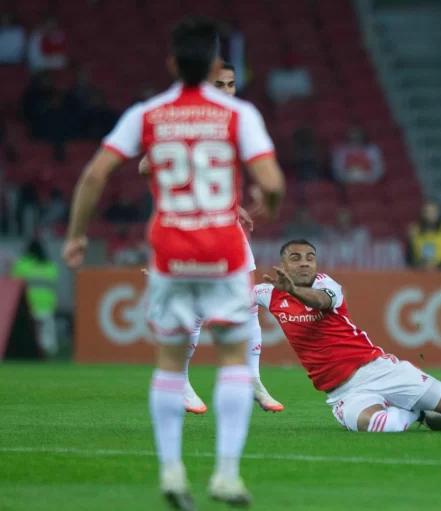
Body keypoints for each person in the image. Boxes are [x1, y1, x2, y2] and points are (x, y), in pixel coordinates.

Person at [61, 19, 286, 509]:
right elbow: (271, 180)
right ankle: (226, 475)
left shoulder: (149, 113)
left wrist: (77, 236)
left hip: (170, 251)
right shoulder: (238, 113)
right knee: (230, 359)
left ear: (171, 64)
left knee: (168, 362)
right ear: (213, 65)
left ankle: (170, 469)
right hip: (222, 251)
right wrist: (269, 202)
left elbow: (96, 174)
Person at [255, 240, 441, 434]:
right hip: (342, 393)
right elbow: (232, 302)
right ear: (282, 264)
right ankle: (418, 413)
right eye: (295, 258)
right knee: (382, 426)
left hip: (378, 370)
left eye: (310, 258)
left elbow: (319, 301)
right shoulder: (268, 294)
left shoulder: (328, 285)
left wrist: (292, 290)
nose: (305, 263)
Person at [139, 61, 284, 415]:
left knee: (247, 303)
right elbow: (146, 166)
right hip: (192, 229)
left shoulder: (234, 121)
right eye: (219, 84)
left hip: (225, 225)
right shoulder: (191, 119)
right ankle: (183, 383)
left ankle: (252, 379)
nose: (227, 91)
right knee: (197, 312)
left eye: (231, 85)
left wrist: (233, 206)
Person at [12, 238, 58, 356]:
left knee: (29, 333)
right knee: (47, 334)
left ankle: (29, 353)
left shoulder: (21, 265)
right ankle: (47, 355)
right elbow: (54, 287)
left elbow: (13, 285)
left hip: (28, 305)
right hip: (46, 305)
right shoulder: (50, 267)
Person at [405, 200, 441, 270]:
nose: (430, 215)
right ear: (423, 214)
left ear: (438, 213)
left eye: (433, 212)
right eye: (427, 212)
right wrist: (419, 266)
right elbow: (409, 258)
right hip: (420, 273)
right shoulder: (414, 231)